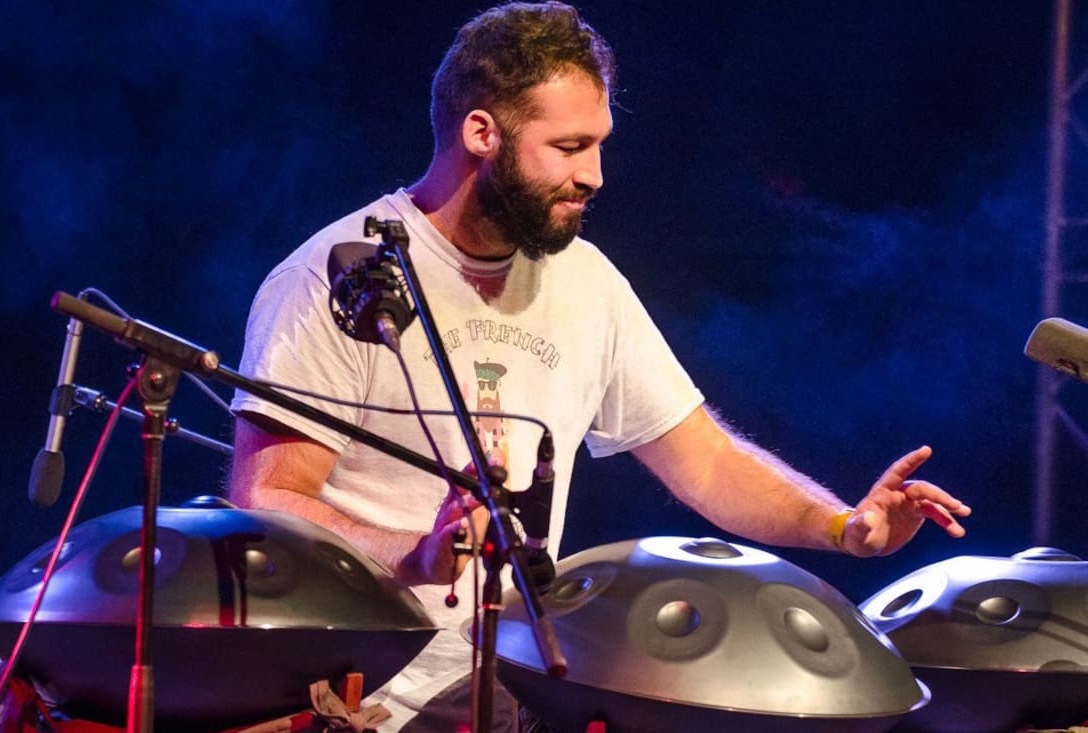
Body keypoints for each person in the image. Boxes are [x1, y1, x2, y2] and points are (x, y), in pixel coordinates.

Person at [228, 2, 971, 731]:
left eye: (601, 145)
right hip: (361, 702)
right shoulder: (338, 276)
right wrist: (416, 553)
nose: (596, 176)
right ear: (481, 132)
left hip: (515, 690)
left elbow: (707, 462)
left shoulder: (586, 281)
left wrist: (844, 525)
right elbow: (268, 499)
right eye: (570, 146)